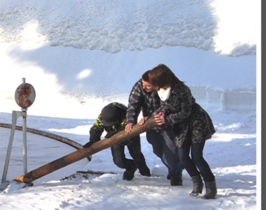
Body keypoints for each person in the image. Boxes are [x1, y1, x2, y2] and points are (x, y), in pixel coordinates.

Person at [147, 63, 218, 199]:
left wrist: (167, 119)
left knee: (197, 157)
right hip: (181, 127)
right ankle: (197, 182)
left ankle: (210, 186)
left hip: (196, 123)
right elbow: (166, 106)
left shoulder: (181, 89)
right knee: (183, 157)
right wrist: (161, 114)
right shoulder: (162, 91)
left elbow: (186, 111)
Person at [125, 69, 184, 186]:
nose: (144, 87)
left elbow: (166, 107)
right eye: (143, 84)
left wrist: (151, 117)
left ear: (157, 85)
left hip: (168, 124)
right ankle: (176, 167)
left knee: (171, 151)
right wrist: (130, 120)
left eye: (148, 85)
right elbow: (133, 104)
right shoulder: (140, 86)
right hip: (151, 125)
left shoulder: (168, 90)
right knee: (157, 150)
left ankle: (176, 175)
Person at [83, 101, 151, 180]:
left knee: (136, 155)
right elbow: (96, 127)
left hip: (132, 137)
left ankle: (144, 172)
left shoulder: (127, 114)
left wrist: (114, 133)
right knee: (119, 161)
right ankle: (131, 167)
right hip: (115, 140)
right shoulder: (104, 114)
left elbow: (127, 129)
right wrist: (93, 139)